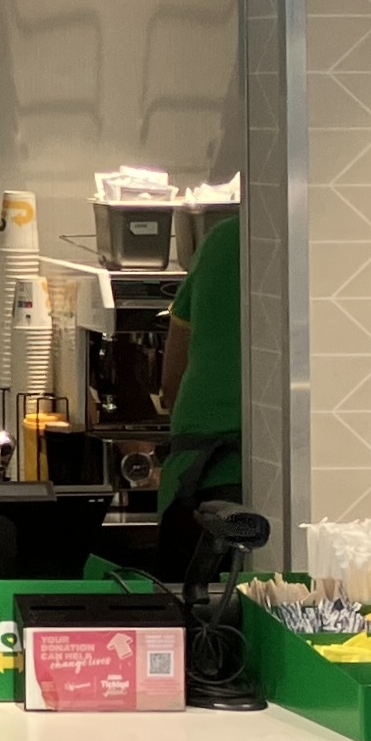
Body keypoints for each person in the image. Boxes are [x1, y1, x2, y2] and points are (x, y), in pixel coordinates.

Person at [156, 211, 244, 574]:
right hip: (264, 482)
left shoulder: (222, 238)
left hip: (198, 481)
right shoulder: (332, 247)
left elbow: (171, 386)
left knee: (193, 606)